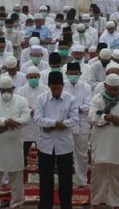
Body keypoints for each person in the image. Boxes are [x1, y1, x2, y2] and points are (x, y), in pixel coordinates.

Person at [87, 73, 119, 209]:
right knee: (98, 173)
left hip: (117, 142)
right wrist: (106, 118)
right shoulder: (97, 99)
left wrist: (118, 119)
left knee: (117, 174)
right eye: (110, 89)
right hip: (100, 141)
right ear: (105, 86)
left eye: (115, 89)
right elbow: (91, 117)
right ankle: (96, 200)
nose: (113, 92)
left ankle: (115, 202)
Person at [34, 71, 79, 209]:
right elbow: (38, 119)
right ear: (48, 86)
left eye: (58, 88)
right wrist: (56, 124)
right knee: (45, 178)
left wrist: (52, 125)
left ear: (63, 85)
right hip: (45, 145)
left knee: (65, 179)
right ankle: (45, 206)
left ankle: (66, 206)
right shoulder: (41, 99)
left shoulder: (70, 99)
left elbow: (74, 120)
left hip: (64, 145)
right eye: (53, 88)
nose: (56, 91)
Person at [0, 76, 31, 208]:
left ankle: (17, 203)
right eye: (3, 90)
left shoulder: (22, 101)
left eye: (8, 90)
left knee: (16, 177)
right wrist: (6, 121)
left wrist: (5, 125)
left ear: (13, 89)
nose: (6, 93)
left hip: (14, 144)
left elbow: (26, 119)